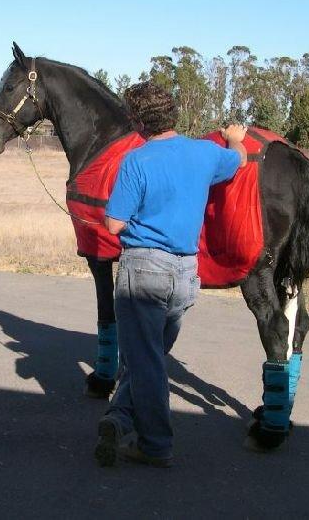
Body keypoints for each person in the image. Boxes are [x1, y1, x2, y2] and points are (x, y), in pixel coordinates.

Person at [94, 81, 248, 468]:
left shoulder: (136, 160)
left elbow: (113, 224)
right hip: (185, 274)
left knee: (145, 361)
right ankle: (120, 416)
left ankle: (155, 444)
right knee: (151, 355)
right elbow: (240, 159)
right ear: (173, 113)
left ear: (137, 121)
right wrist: (234, 138)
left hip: (144, 270)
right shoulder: (205, 153)